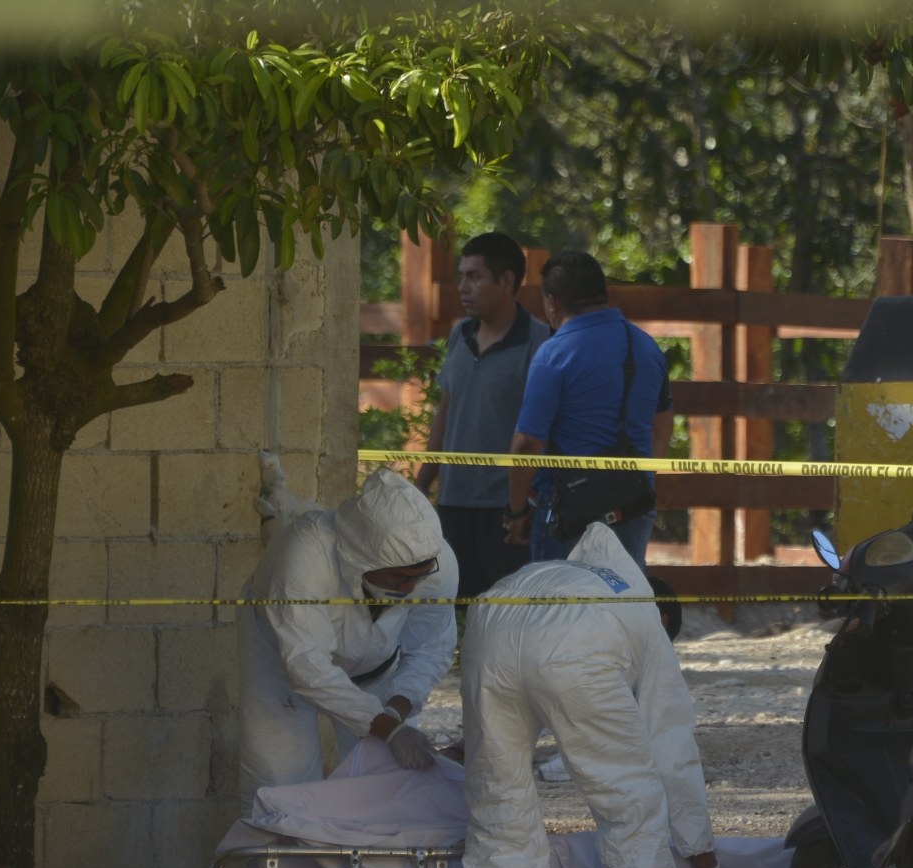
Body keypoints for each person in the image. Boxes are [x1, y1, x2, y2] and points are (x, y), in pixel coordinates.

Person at [459, 522, 742, 868]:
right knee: (631, 802)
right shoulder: (644, 615)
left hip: (489, 621)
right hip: (576, 640)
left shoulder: (558, 574)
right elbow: (670, 751)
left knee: (499, 804)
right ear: (666, 622)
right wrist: (706, 861)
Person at [238, 468, 459, 815]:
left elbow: (430, 647)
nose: (410, 588)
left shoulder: (439, 566)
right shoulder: (305, 554)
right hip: (282, 663)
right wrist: (387, 729)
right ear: (361, 560)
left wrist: (396, 712)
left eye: (418, 577)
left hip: (376, 668)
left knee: (387, 789)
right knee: (282, 785)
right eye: (399, 578)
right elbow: (306, 666)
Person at [501, 250, 671, 567]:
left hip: (568, 512)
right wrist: (641, 480)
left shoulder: (554, 354)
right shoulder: (647, 347)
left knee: (561, 612)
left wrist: (516, 510)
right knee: (622, 605)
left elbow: (526, 443)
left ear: (552, 302)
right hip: (633, 506)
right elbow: (662, 426)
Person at [413, 232, 553, 599]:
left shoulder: (539, 343)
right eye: (461, 276)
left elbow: (542, 434)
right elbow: (446, 410)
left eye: (474, 277)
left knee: (507, 617)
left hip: (506, 512)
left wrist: (522, 506)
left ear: (506, 281)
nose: (463, 287)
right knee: (450, 612)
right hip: (453, 503)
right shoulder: (460, 334)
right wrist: (419, 489)